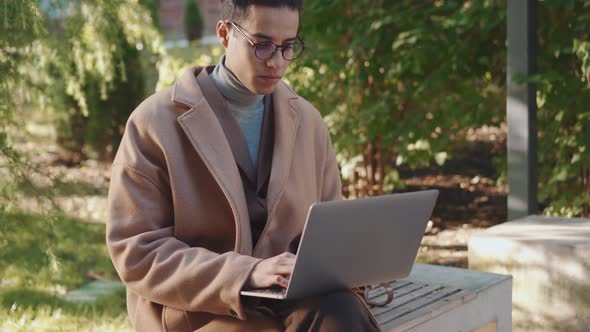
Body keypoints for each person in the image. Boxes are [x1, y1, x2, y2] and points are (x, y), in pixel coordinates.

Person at [106, 0, 380, 330]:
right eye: (262, 45)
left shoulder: (308, 121)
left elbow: (329, 228)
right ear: (224, 34)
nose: (277, 62)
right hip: (200, 310)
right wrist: (247, 274)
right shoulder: (153, 123)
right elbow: (137, 251)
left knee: (343, 311)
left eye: (288, 47)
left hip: (294, 300)